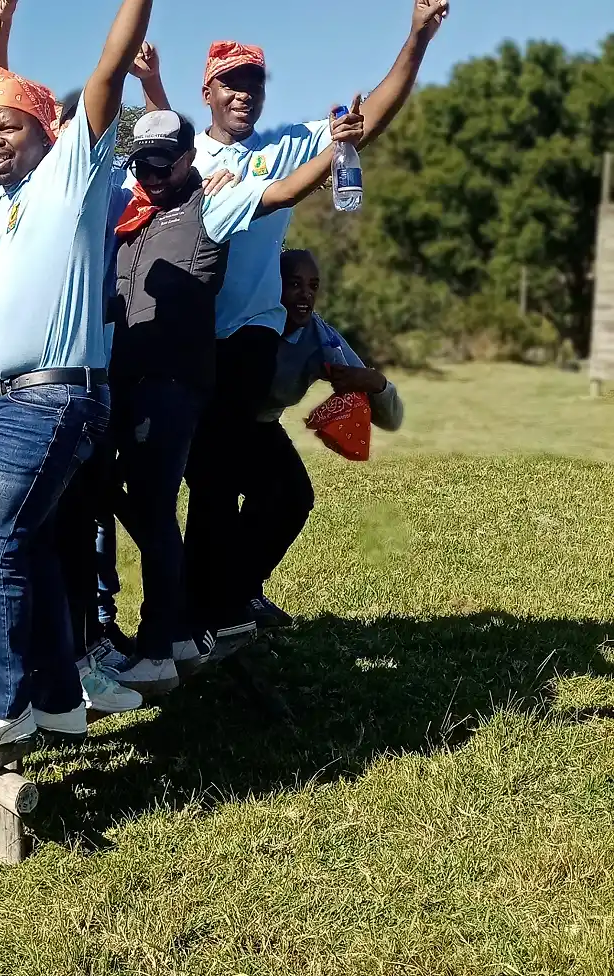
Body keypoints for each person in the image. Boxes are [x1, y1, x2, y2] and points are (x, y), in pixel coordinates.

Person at [0, 0, 156, 756]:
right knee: (33, 547)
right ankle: (58, 700)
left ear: (47, 130)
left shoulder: (70, 174)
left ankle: (2, 706)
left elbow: (108, 72)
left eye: (9, 127)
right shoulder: (7, 206)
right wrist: (0, 23)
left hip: (49, 398)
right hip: (2, 404)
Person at [184, 0, 449, 641]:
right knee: (211, 490)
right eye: (231, 83)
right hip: (186, 346)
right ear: (208, 91)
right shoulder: (184, 158)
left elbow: (368, 119)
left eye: (254, 83)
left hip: (249, 346)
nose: (244, 94)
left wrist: (417, 37)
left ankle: (222, 608)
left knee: (262, 491)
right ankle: (197, 619)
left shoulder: (281, 149)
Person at [96, 107, 363, 695]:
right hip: (128, 380)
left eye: (164, 164)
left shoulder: (211, 204)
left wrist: (336, 152)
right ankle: (180, 631)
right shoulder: (135, 213)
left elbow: (285, 190)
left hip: (173, 380)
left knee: (158, 508)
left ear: (189, 159)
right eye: (142, 165)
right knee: (117, 493)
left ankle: (162, 646)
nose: (152, 175)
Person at [237, 249, 405, 629]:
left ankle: (244, 590)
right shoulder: (244, 318)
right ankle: (222, 595)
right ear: (271, 285)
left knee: (295, 498)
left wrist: (373, 382)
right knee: (247, 497)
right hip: (212, 422)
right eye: (294, 284)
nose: (305, 295)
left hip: (261, 424)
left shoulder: (319, 338)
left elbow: (391, 418)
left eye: (313, 286)